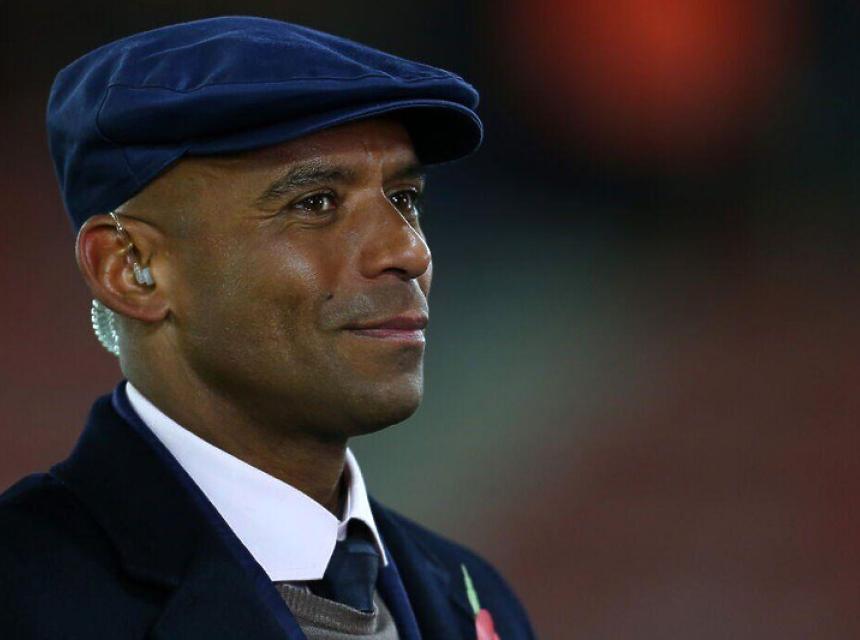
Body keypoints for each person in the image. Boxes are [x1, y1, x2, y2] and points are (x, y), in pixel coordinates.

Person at [0, 15, 535, 640]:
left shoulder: (472, 597)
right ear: (130, 268)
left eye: (405, 198)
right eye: (316, 203)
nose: (408, 251)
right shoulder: (22, 595)